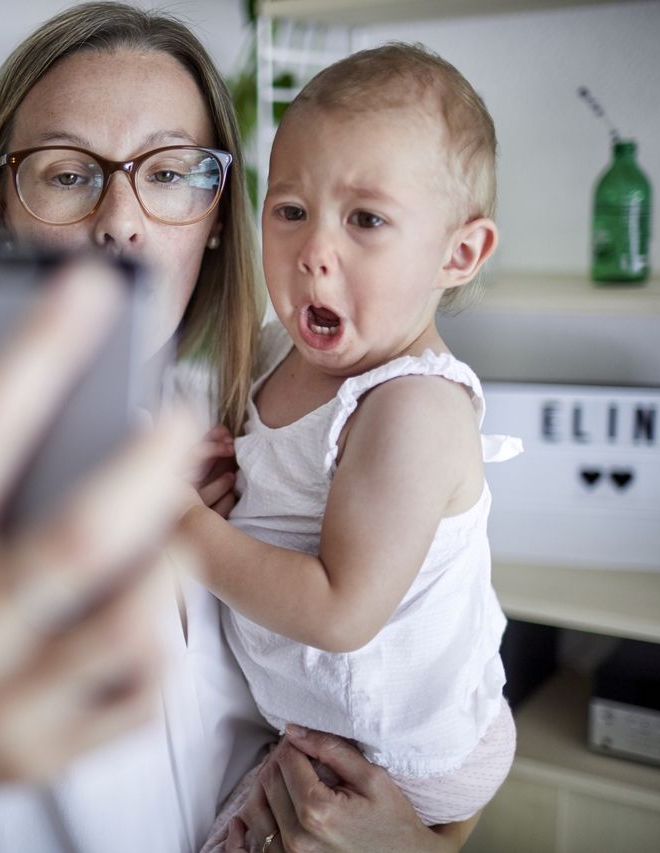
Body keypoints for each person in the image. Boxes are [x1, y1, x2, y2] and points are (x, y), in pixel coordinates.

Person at [0, 8, 483, 852]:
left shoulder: (259, 443)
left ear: (217, 215)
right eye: (68, 174)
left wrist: (414, 845)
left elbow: (432, 715)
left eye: (171, 172)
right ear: (4, 205)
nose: (120, 220)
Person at [180, 43, 522, 852]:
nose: (313, 251)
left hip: (409, 743)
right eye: (291, 210)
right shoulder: (274, 352)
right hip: (331, 719)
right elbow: (264, 467)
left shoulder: (413, 407)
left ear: (458, 253)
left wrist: (180, 529)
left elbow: (340, 610)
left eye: (365, 219)